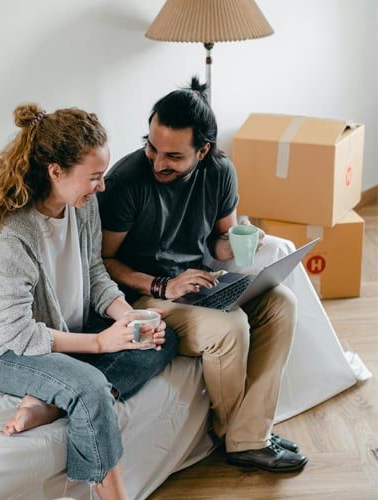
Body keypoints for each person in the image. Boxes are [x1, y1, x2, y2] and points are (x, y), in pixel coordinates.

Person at [0, 103, 178, 499]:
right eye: (94, 178)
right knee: (90, 386)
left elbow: (95, 271)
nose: (102, 187)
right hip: (5, 350)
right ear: (56, 172)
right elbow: (19, 333)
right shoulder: (13, 235)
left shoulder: (82, 207)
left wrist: (129, 316)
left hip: (63, 330)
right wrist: (102, 343)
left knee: (162, 338)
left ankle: (51, 403)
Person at [98, 78, 309, 473]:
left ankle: (250, 435)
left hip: (197, 285)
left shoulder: (220, 172)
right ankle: (241, 438)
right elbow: (105, 262)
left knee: (282, 303)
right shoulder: (127, 180)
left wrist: (242, 243)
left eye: (173, 156)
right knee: (231, 330)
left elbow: (218, 242)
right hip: (145, 296)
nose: (158, 162)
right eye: (151, 146)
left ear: (203, 150)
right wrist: (164, 285)